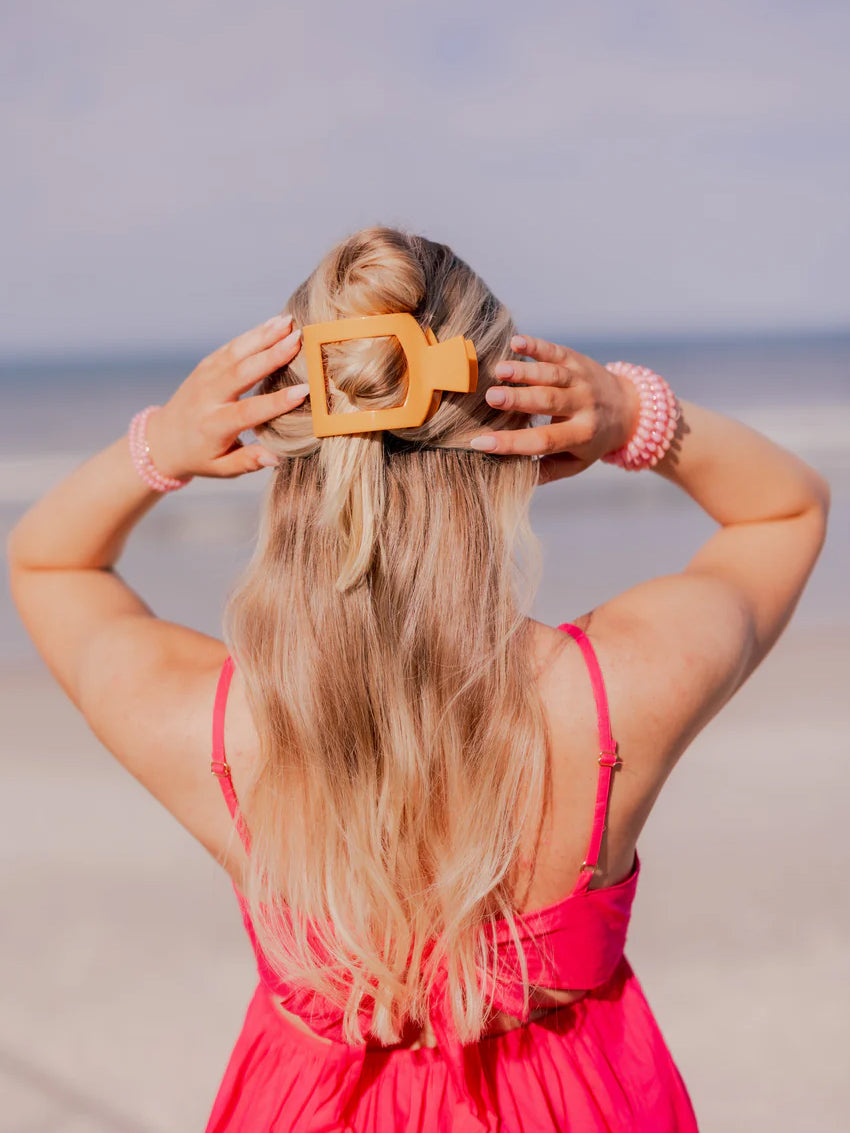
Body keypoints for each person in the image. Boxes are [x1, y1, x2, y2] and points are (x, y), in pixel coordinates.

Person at [6, 226, 830, 1132]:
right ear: (509, 423)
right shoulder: (614, 691)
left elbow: (51, 564)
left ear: (290, 446)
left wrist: (159, 445)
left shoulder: (219, 731)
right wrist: (635, 416)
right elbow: (785, 509)